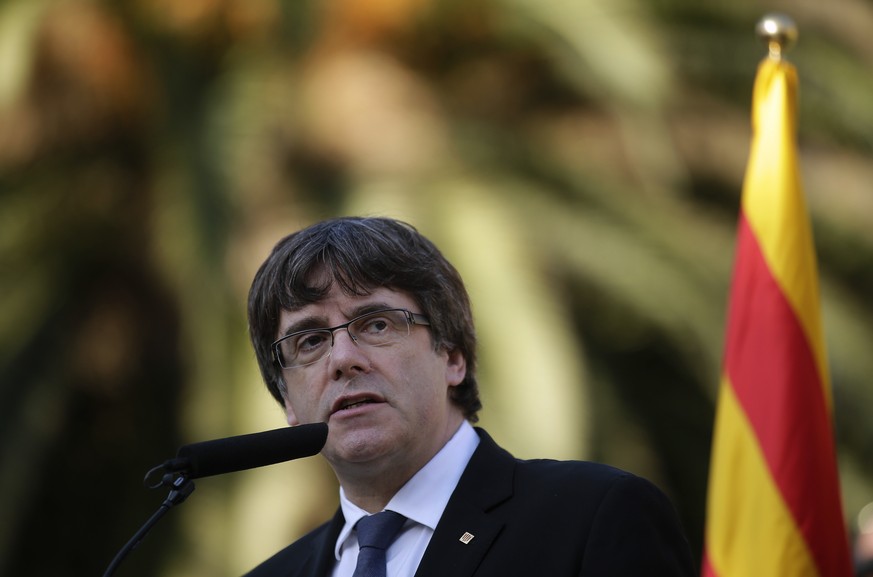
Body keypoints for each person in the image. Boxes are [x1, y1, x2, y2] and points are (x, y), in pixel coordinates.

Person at [244, 216, 696, 577]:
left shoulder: (595, 518)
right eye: (309, 342)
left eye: (376, 324)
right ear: (287, 401)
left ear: (453, 355)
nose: (342, 358)